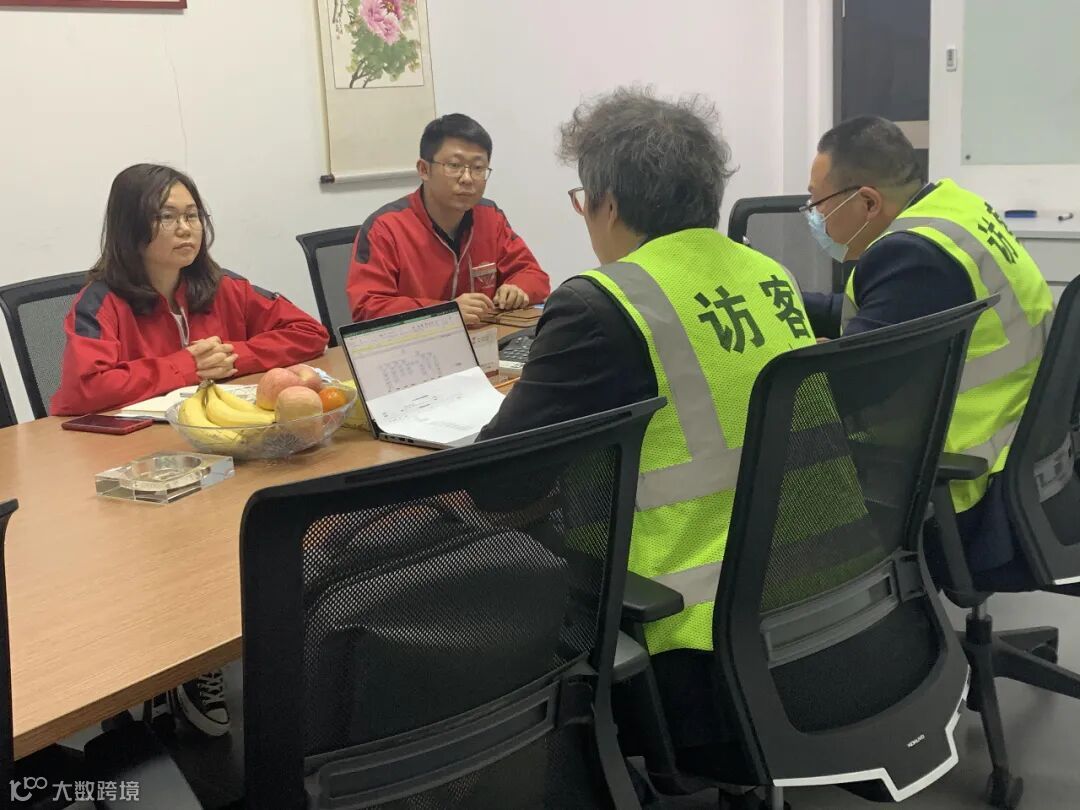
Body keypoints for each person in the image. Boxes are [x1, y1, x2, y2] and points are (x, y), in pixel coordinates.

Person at [478, 87, 817, 764]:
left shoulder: (602, 304)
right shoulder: (769, 272)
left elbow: (500, 485)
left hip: (692, 636)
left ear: (606, 204)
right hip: (816, 592)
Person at [52, 163, 330, 737]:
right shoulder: (100, 301)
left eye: (193, 215)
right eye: (167, 217)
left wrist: (234, 356)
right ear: (131, 228)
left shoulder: (221, 285)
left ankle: (215, 646)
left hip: (221, 447)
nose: (186, 229)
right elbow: (86, 387)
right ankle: (175, 659)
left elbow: (309, 333)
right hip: (131, 464)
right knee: (174, 550)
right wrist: (184, 366)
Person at [801, 116, 1053, 586]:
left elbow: (840, 392)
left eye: (817, 203)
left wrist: (810, 353)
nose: (814, 217)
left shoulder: (912, 255)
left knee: (791, 480)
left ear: (867, 202)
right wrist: (787, 302)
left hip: (965, 494)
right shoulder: (954, 213)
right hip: (1023, 454)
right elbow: (884, 312)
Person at [345, 113, 550, 324]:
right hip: (417, 342)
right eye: (454, 166)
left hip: (486, 337)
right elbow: (367, 308)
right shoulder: (385, 228)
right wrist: (445, 313)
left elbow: (534, 275)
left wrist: (518, 288)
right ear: (424, 169)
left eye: (478, 168)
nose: (467, 178)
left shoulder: (490, 216)